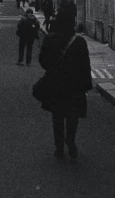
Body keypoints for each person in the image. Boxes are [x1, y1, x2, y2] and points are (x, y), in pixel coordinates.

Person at [38, 11, 92, 161]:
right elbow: (85, 65)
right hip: (74, 86)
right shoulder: (79, 41)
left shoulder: (50, 39)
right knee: (72, 116)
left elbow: (42, 61)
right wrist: (86, 85)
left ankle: (59, 147)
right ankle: (71, 139)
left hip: (56, 84)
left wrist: (52, 69)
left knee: (58, 116)